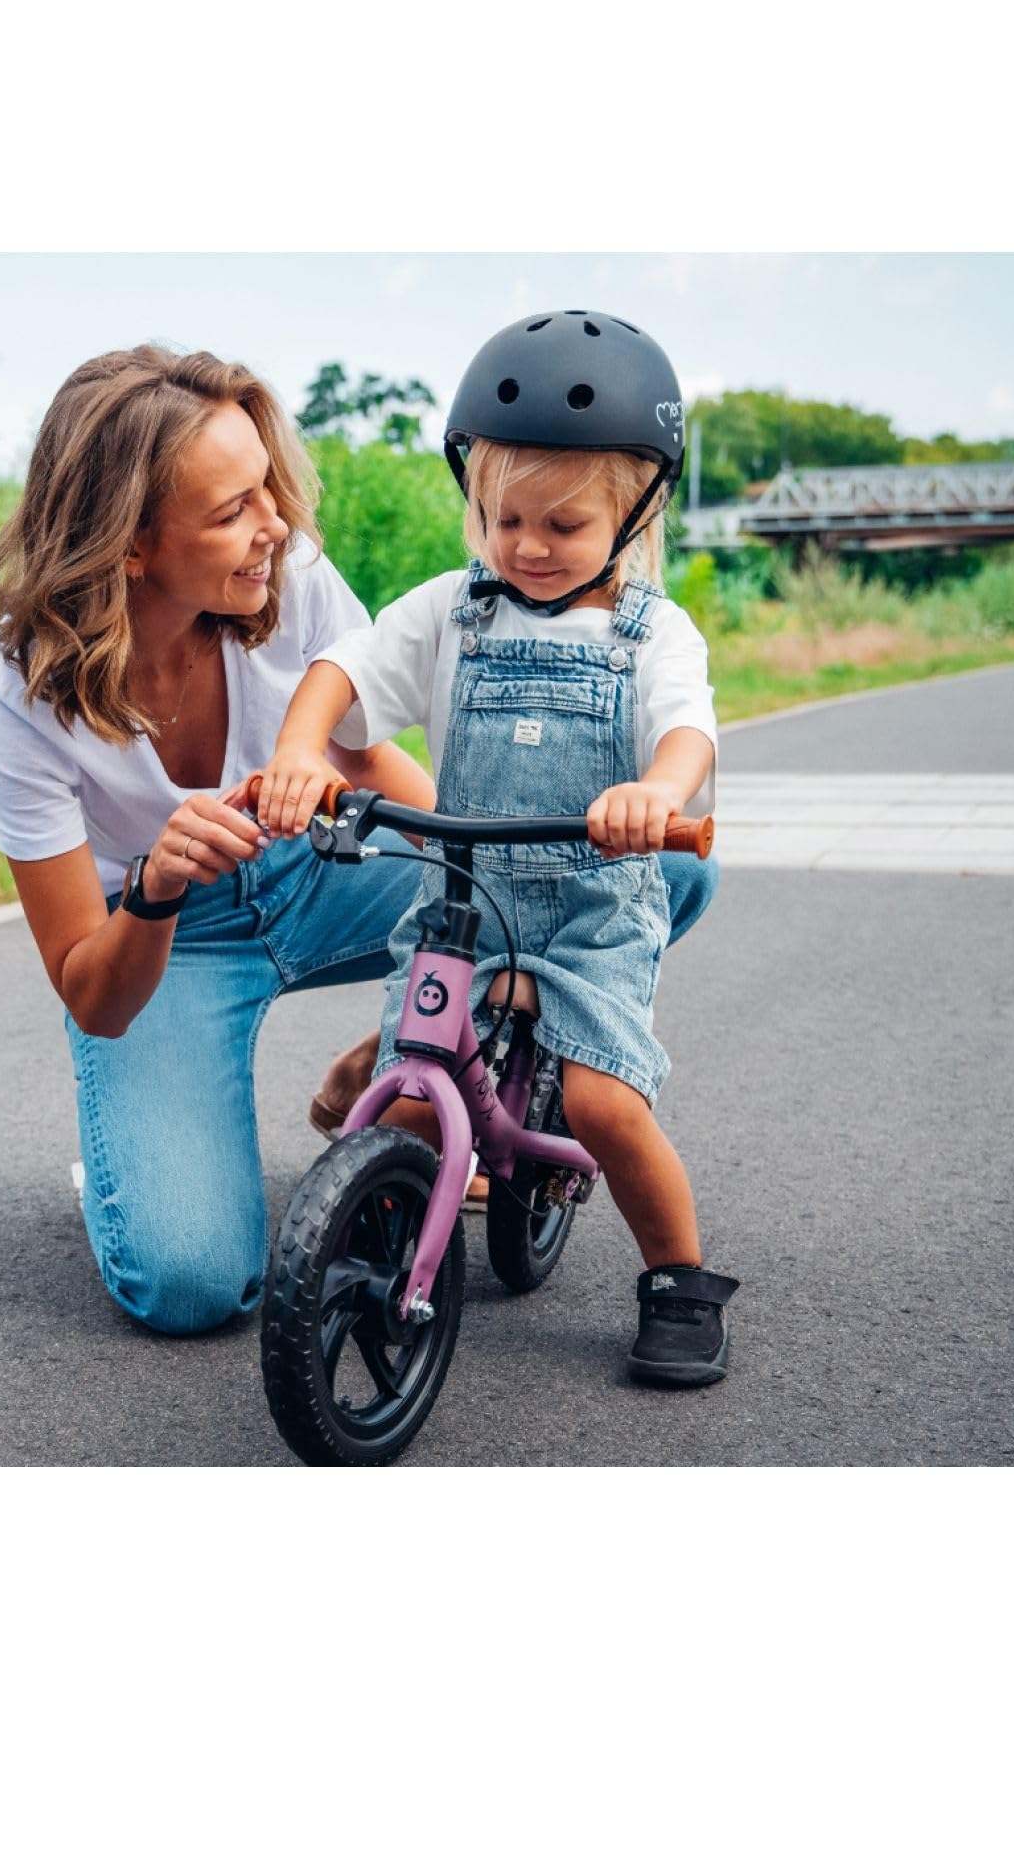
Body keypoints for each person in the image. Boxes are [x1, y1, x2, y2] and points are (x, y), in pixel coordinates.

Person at [0, 342, 717, 1341]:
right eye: (231, 510)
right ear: (130, 543)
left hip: (318, 865)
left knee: (650, 875)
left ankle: (436, 1036)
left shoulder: (285, 575)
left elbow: (364, 757)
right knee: (188, 1284)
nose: (274, 525)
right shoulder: (12, 694)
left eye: (268, 489)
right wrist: (153, 884)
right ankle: (151, 1155)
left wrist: (484, 893)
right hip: (165, 937)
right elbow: (91, 993)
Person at [252, 310, 740, 1385]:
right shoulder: (453, 611)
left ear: (636, 511)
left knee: (605, 1104)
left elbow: (687, 731)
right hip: (461, 903)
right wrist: (297, 751)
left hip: (592, 909)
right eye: (498, 516)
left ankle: (677, 1279)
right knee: (413, 1100)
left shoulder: (651, 634)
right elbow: (344, 669)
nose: (525, 545)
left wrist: (654, 792)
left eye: (562, 524)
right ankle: (371, 1236)